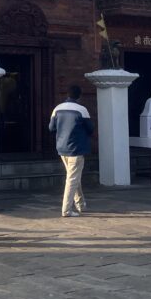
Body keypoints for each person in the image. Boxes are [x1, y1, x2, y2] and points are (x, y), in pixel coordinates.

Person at [48, 85, 95, 218]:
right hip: (76, 149)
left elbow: (51, 128)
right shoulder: (82, 110)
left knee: (74, 177)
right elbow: (90, 129)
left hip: (62, 148)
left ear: (67, 94)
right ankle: (66, 209)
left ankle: (80, 204)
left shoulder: (57, 108)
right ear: (79, 96)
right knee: (73, 178)